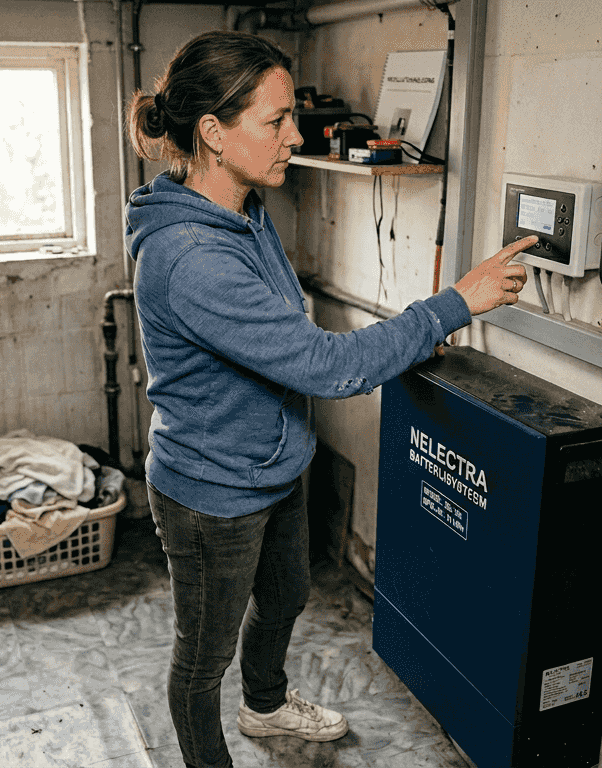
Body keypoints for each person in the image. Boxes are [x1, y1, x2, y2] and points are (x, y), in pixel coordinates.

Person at [124, 30, 533, 768]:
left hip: (270, 465)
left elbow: (287, 339)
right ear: (213, 133)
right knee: (200, 656)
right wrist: (452, 305)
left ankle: (266, 704)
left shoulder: (240, 212)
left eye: (292, 117)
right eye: (275, 121)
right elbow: (325, 365)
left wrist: (412, 338)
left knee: (284, 595)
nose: (295, 135)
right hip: (213, 493)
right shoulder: (192, 258)